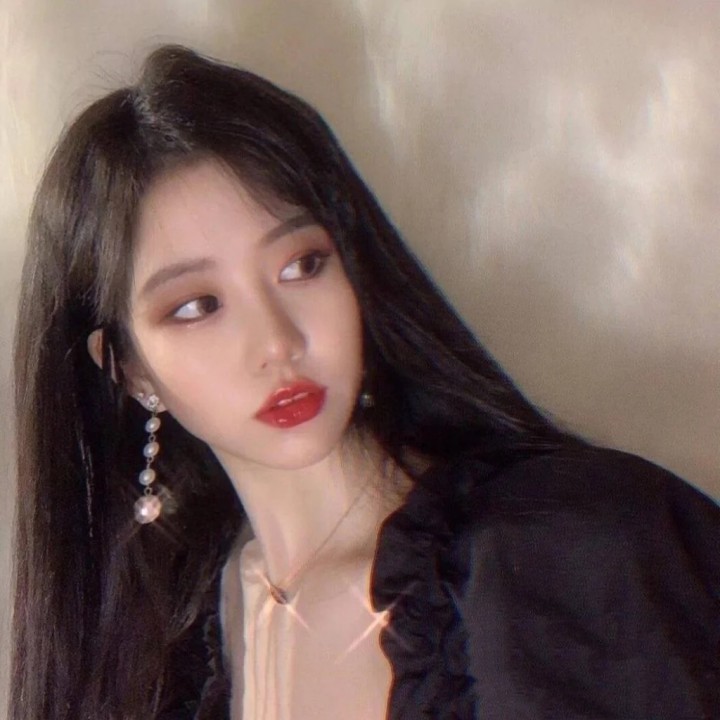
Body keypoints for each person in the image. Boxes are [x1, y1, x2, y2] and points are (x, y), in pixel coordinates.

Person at [10, 44, 719, 720]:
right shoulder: (151, 662)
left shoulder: (577, 552)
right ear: (128, 367)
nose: (278, 342)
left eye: (302, 265)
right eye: (197, 306)